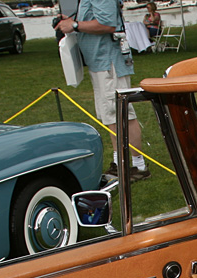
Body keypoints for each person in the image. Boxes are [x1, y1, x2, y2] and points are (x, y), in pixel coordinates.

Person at [56, 0, 149, 180]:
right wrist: (73, 23)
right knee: (110, 115)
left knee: (122, 113)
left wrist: (74, 25)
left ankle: (139, 166)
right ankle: (119, 163)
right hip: (100, 62)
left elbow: (107, 24)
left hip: (108, 62)